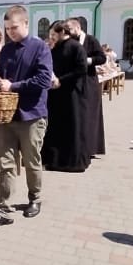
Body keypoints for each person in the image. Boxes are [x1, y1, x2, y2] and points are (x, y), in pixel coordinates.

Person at [0, 5, 53, 230]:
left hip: (32, 115)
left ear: (26, 24)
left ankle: (35, 198)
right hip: (6, 116)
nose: (10, 32)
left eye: (14, 27)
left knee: (32, 161)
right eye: (7, 29)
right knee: (6, 163)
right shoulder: (6, 50)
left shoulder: (40, 47)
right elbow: (2, 79)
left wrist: (13, 85)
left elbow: (44, 80)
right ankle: (5, 209)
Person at [42, 20, 89, 172]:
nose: (51, 37)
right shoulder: (54, 48)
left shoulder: (77, 47)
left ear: (62, 32)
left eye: (53, 34)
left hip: (71, 94)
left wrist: (61, 80)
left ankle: (72, 163)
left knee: (72, 127)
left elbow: (81, 69)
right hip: (56, 94)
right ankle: (54, 161)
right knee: (55, 128)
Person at [67, 17, 107, 157]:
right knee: (78, 115)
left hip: (89, 82)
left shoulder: (91, 40)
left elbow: (102, 57)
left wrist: (88, 60)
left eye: (70, 29)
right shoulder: (70, 41)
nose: (68, 32)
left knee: (90, 115)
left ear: (77, 28)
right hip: (75, 82)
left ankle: (91, 148)